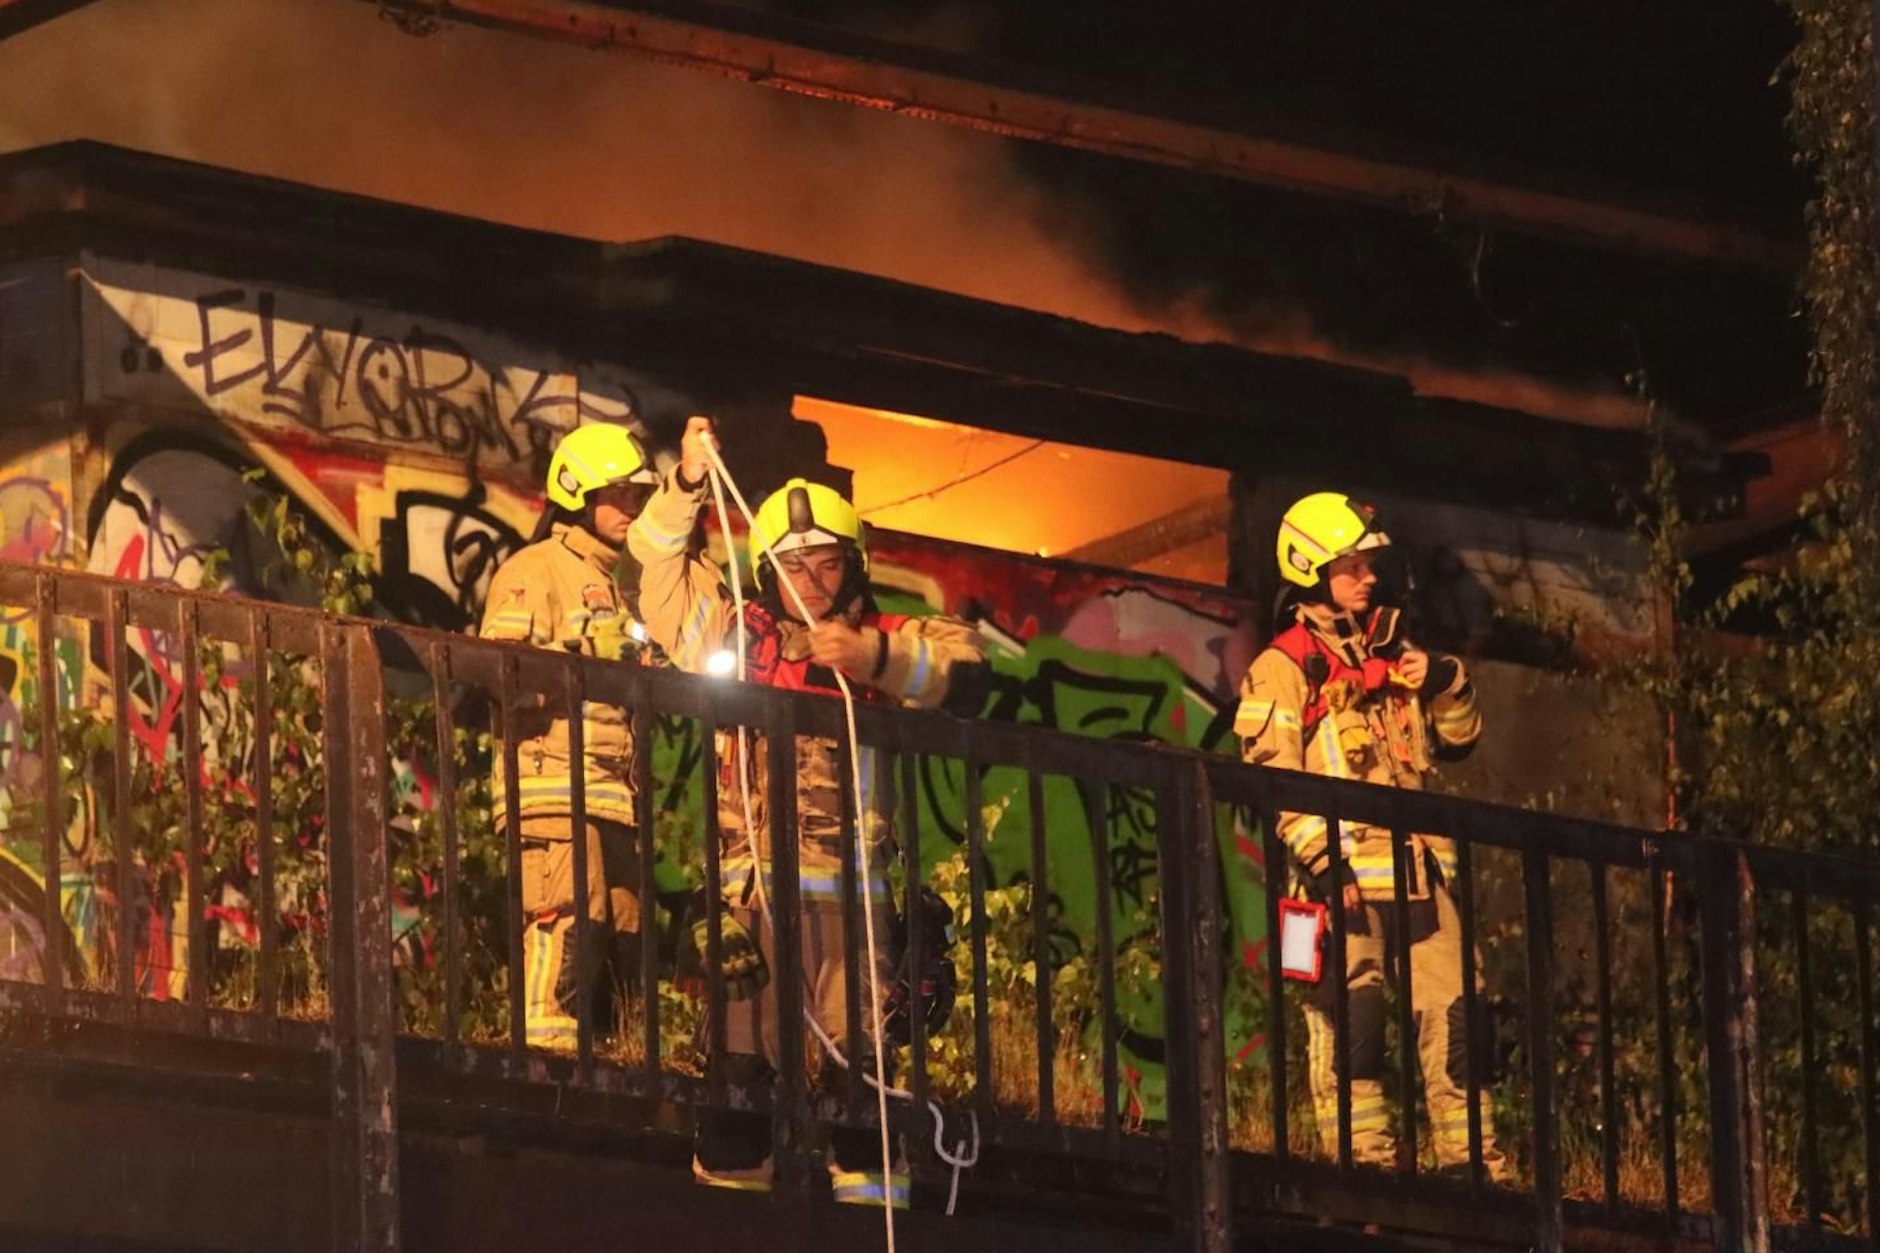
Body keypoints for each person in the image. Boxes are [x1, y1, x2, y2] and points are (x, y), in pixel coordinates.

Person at [628, 416, 989, 1205]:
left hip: (853, 908)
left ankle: (868, 1219)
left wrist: (875, 659)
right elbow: (657, 569)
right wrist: (688, 481)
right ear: (765, 570)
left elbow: (967, 669)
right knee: (736, 1089)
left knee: (862, 1091)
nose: (812, 581)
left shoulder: (894, 636)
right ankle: (728, 1214)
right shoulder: (733, 635)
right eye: (793, 564)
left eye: (826, 563)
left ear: (853, 567)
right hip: (747, 900)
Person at [1236, 491, 1505, 1180]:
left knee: (1460, 1015)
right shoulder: (1284, 666)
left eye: (1367, 565)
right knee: (1353, 1026)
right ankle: (1366, 1175)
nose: (1368, 578)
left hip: (1420, 873)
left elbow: (1458, 743)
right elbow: (1276, 781)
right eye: (1350, 566)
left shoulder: (1396, 653)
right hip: (1341, 881)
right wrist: (1331, 872)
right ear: (1311, 572)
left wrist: (1447, 681)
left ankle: (1471, 1168)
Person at [478, 422, 659, 1051]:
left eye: (638, 494)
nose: (631, 506)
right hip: (553, 787)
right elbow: (496, 672)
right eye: (618, 494)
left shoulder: (629, 583)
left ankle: (610, 1061)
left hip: (615, 796)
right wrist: (579, 650)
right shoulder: (535, 569)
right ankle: (545, 1060)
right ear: (576, 493)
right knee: (569, 920)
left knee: (625, 935)